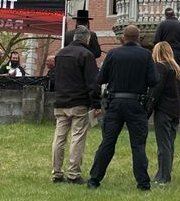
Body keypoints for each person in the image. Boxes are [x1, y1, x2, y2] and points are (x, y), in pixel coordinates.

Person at [87, 25, 158, 190]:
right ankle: (143, 183)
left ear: (123, 38)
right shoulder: (146, 55)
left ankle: (94, 180)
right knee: (138, 145)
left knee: (107, 142)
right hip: (136, 103)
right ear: (138, 38)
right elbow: (154, 80)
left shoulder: (113, 54)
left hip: (115, 103)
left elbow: (100, 78)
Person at [51, 26, 102, 184]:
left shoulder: (60, 54)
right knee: (77, 138)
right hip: (79, 101)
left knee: (59, 138)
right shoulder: (86, 55)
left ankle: (56, 172)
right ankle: (73, 173)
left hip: (60, 101)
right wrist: (96, 103)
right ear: (87, 39)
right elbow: (93, 82)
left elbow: (55, 78)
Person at [150, 41, 180, 185]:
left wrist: (148, 108)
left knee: (163, 145)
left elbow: (156, 91)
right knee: (169, 144)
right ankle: (165, 174)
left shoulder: (160, 67)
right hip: (175, 111)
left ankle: (163, 177)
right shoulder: (176, 69)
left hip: (163, 110)